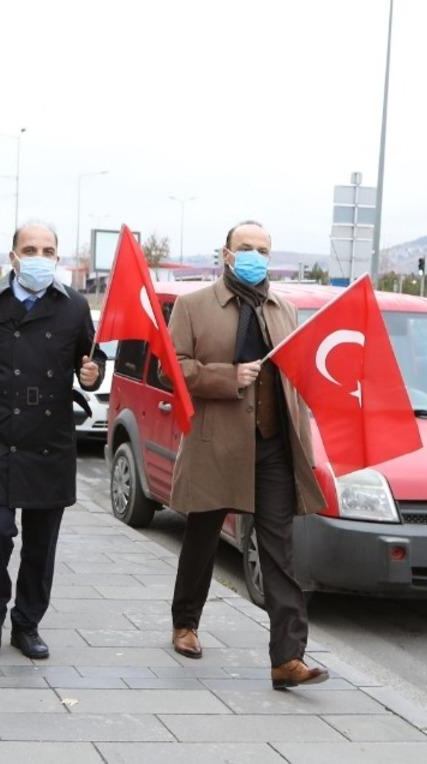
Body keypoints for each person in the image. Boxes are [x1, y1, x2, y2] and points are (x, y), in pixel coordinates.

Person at [166, 220, 329, 690]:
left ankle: (287, 658)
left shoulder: (284, 309)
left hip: (273, 447)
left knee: (279, 552)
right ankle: (186, 622)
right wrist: (225, 376)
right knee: (202, 537)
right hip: (218, 443)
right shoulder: (195, 306)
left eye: (263, 248)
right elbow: (173, 367)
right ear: (227, 254)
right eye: (246, 247)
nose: (255, 255)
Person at [0, 222, 105, 661]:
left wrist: (92, 373)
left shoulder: (72, 307)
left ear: (58, 257)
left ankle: (27, 623)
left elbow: (90, 361)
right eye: (30, 248)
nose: (39, 255)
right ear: (13, 257)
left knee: (41, 544)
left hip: (49, 440)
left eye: (48, 249)